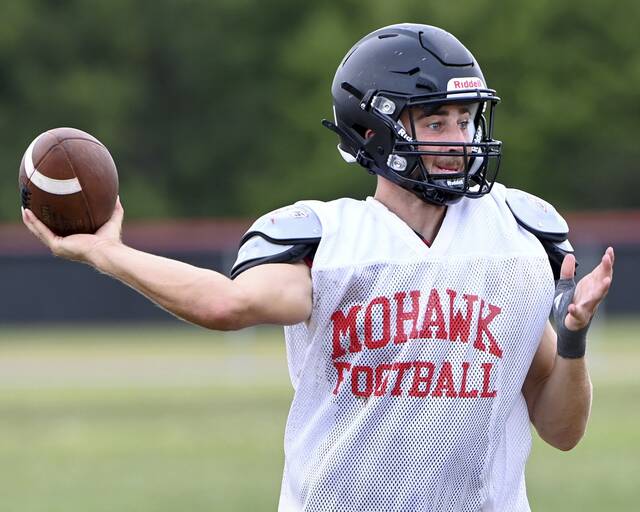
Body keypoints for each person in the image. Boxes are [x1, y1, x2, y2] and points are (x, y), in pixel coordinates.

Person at [22, 23, 614, 512]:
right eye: (436, 123)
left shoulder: (513, 237)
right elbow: (227, 304)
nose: (459, 140)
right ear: (371, 131)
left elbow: (562, 431)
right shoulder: (331, 237)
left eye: (465, 120)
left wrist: (573, 337)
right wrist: (108, 252)